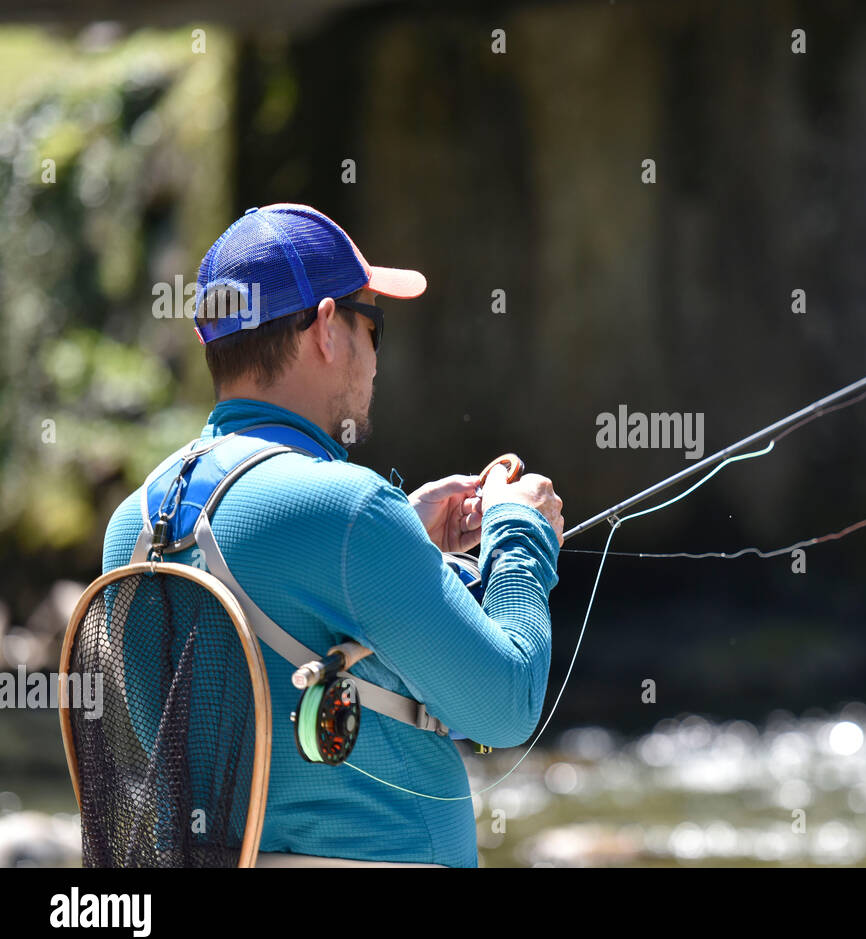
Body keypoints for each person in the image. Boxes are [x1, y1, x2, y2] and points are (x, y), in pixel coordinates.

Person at [101, 204, 564, 867]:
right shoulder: (350, 511)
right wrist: (520, 534)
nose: (375, 352)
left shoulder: (134, 522)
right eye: (372, 324)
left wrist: (404, 537)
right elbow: (507, 704)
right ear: (325, 328)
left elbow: (276, 627)